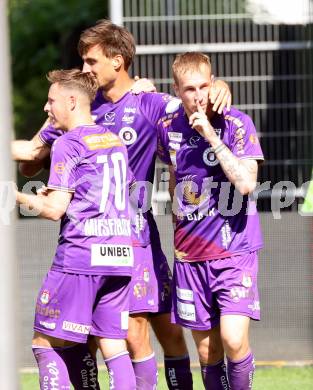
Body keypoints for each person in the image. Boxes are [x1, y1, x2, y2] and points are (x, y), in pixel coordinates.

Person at [12, 20, 232, 389]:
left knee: (139, 333)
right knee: (94, 335)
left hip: (133, 236)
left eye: (91, 60)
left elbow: (197, 107)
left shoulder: (150, 103)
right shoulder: (80, 103)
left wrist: (219, 88)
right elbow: (32, 155)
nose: (85, 69)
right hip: (87, 233)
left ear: (118, 61)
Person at [16, 68, 136, 389]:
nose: (46, 107)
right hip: (120, 256)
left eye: (51, 100)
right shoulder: (113, 140)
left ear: (71, 101)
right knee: (113, 346)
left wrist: (11, 194)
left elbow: (55, 210)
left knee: (45, 343)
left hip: (80, 257)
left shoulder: (68, 143)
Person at [157, 52, 264, 390]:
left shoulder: (236, 123)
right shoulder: (167, 128)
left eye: (205, 85)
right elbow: (175, 176)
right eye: (190, 88)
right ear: (177, 90)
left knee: (233, 340)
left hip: (234, 251)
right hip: (190, 257)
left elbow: (246, 184)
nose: (199, 94)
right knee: (207, 350)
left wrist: (212, 137)